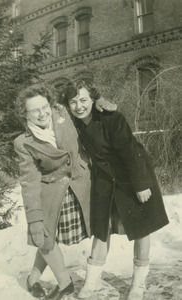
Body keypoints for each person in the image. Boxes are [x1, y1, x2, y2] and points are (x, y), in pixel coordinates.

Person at [61, 81, 169, 300]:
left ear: (93, 100)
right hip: (103, 179)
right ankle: (92, 283)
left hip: (131, 175)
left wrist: (141, 184)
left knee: (140, 228)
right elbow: (53, 104)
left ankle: (138, 285)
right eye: (73, 102)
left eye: (84, 100)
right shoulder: (75, 121)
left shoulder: (111, 118)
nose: (79, 106)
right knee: (101, 229)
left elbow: (130, 151)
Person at [14, 84, 116, 300]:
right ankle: (65, 283)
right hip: (52, 191)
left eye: (44, 107)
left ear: (50, 105)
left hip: (81, 183)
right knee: (44, 235)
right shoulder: (24, 143)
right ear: (25, 114)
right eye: (34, 110)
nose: (42, 114)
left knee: (94, 229)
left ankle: (32, 279)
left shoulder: (63, 113)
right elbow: (29, 182)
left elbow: (82, 105)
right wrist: (34, 219)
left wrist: (99, 102)